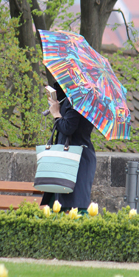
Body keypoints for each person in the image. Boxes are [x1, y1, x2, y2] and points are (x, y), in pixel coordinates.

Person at [41, 80, 96, 211]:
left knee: (73, 207)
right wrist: (56, 97)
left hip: (76, 159)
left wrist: (55, 114)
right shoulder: (73, 96)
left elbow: (68, 127)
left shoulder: (79, 98)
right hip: (68, 157)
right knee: (59, 205)